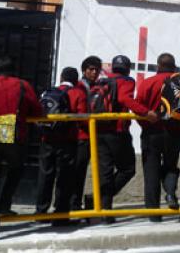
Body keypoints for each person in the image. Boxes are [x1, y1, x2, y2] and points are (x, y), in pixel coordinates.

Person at [0, 56, 44, 241]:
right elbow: (37, 110)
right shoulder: (22, 85)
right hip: (14, 135)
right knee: (17, 168)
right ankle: (4, 203)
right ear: (14, 70)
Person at [96, 55, 150, 223]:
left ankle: (104, 206)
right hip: (117, 130)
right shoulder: (126, 81)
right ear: (127, 69)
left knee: (105, 170)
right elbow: (124, 99)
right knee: (127, 169)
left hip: (98, 129)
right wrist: (145, 112)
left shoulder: (101, 80)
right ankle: (102, 201)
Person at [35, 67, 86, 225]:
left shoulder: (49, 92)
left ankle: (41, 212)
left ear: (61, 77)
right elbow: (83, 117)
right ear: (76, 80)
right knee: (64, 177)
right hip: (67, 141)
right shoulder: (78, 93)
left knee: (45, 175)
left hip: (47, 139)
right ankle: (60, 214)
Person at [135, 53, 180, 222]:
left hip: (151, 132)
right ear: (174, 67)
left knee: (151, 172)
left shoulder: (148, 83)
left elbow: (138, 107)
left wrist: (145, 124)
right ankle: (170, 193)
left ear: (158, 66)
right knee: (171, 166)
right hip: (174, 132)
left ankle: (154, 213)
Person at [71, 56, 102, 212]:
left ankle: (76, 203)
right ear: (84, 71)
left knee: (81, 170)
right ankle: (73, 204)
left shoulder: (99, 87)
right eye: (91, 69)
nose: (94, 72)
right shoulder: (77, 86)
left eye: (97, 69)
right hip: (78, 135)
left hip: (91, 135)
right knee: (76, 171)